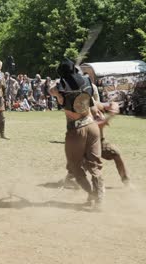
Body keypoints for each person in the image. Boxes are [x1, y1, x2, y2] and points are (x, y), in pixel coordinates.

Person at [49, 58, 104, 209]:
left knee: (75, 167)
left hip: (76, 131)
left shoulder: (60, 86)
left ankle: (92, 193)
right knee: (95, 166)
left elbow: (51, 90)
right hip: (92, 127)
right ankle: (98, 198)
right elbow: (93, 109)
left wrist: (60, 82)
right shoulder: (87, 83)